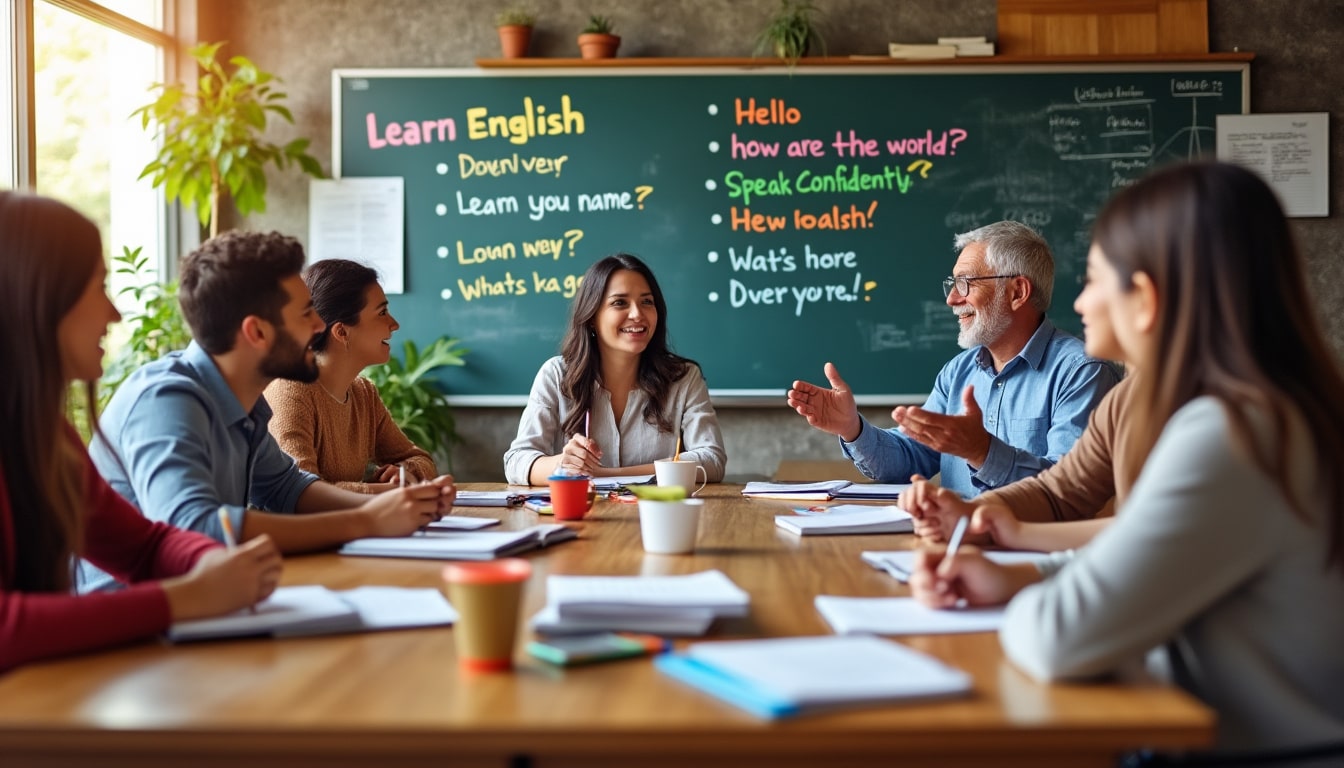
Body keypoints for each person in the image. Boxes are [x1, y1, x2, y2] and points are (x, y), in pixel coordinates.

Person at [910, 162, 1344, 759]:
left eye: (1093, 279)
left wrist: (1020, 586)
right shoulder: (1182, 400)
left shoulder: (1230, 434)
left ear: (1145, 299)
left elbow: (1061, 636)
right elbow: (1081, 504)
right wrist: (1003, 552)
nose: (1081, 300)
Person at [0, 191, 282, 671]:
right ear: (39, 297)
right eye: (98, 288)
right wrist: (183, 598)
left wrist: (205, 561)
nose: (114, 314)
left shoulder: (41, 432)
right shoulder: (166, 395)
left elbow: (143, 546)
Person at [83, 230, 454, 593]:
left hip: (205, 608)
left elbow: (286, 488)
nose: (320, 325)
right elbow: (195, 526)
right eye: (305, 313)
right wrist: (364, 520)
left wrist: (391, 506)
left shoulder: (246, 402)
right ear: (256, 332)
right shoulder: (165, 399)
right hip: (130, 631)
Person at [788, 220, 1119, 498]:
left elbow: (1069, 491)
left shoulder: (1082, 374)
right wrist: (853, 429)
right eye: (952, 283)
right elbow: (911, 457)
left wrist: (983, 452)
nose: (951, 299)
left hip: (1033, 557)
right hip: (954, 549)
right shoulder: (958, 372)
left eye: (965, 283)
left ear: (1017, 292)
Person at [504, 253, 726, 485]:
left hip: (658, 514)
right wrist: (563, 464)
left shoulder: (683, 378)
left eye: (647, 302)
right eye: (620, 303)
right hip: (583, 517)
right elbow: (517, 462)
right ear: (591, 316)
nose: (637, 314)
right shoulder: (556, 375)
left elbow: (712, 460)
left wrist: (608, 476)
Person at [899, 377, 1133, 550]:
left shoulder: (1083, 371)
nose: (1079, 306)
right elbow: (1057, 491)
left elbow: (1142, 535)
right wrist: (969, 515)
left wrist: (981, 451)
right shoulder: (1123, 400)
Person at [265, 259, 436, 492]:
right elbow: (301, 494)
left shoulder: (363, 393)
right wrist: (385, 492)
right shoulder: (291, 391)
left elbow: (421, 460)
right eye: (382, 312)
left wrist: (405, 474)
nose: (394, 324)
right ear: (342, 331)